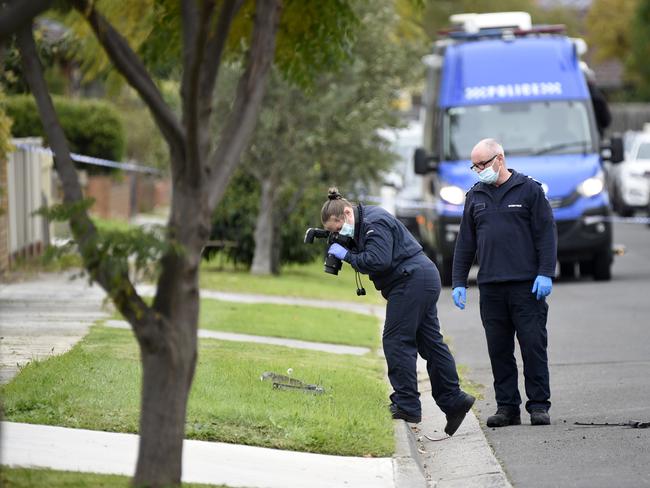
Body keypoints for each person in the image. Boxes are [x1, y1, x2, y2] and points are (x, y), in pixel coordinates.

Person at [322, 187, 475, 436]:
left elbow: (378, 260)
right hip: (419, 278)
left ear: (347, 213)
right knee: (430, 343)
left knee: (396, 340)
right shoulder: (362, 222)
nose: (338, 234)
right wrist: (339, 241)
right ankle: (454, 401)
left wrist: (347, 255)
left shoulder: (374, 222)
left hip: (411, 281)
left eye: (338, 229)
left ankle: (407, 405)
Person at [451, 138, 557, 428]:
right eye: (475, 166)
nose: (479, 170)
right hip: (491, 287)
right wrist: (458, 280)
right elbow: (465, 242)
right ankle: (507, 407)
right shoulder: (475, 196)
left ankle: (538, 405)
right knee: (499, 349)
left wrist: (546, 272)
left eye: (482, 164)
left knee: (532, 345)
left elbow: (546, 234)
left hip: (526, 285)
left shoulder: (530, 190)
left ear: (500, 159)